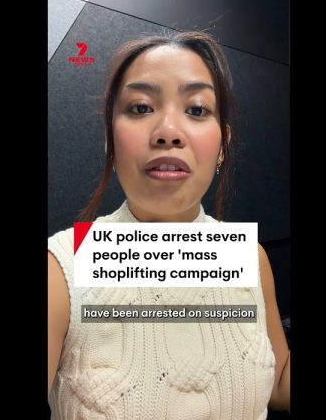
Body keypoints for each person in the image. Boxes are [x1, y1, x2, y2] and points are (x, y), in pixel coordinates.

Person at [48, 31, 290, 419]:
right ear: (111, 141)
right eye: (141, 107)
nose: (168, 132)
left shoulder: (247, 257)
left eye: (196, 109)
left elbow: (278, 387)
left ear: (223, 146)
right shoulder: (63, 267)